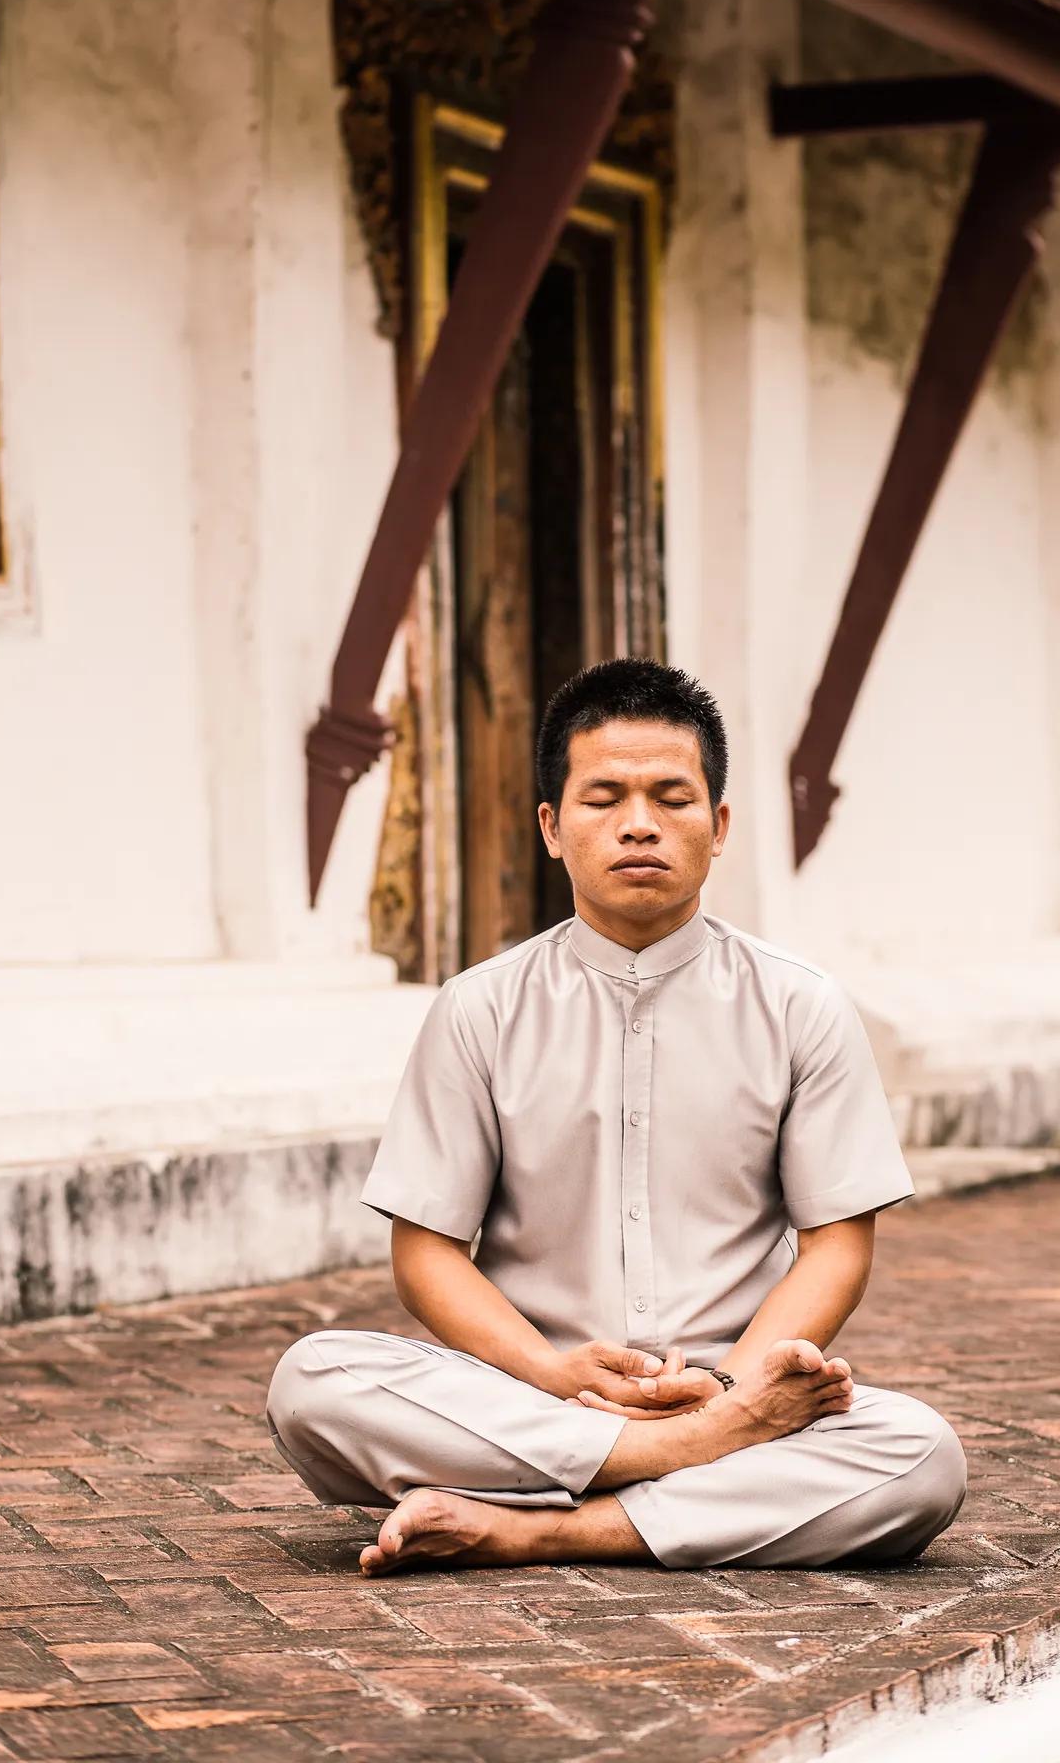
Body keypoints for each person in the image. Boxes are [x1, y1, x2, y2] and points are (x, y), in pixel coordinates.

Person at [267, 659, 965, 1576]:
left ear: (716, 829)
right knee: (313, 1381)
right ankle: (673, 1476)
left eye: (671, 797)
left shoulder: (801, 1006)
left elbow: (837, 1242)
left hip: (735, 1386)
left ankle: (535, 1528)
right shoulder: (480, 1009)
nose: (638, 823)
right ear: (553, 829)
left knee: (918, 1456)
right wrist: (556, 1379)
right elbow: (427, 1251)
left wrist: (730, 1390)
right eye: (604, 798)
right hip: (530, 1395)